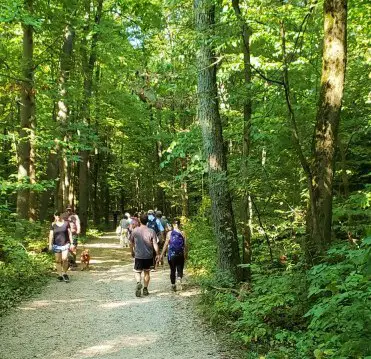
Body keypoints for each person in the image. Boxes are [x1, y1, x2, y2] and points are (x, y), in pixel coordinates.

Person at [129, 213, 160, 297]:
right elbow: (155, 244)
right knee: (147, 272)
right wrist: (157, 254)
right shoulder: (151, 231)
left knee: (137, 271)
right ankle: (145, 289)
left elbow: (131, 242)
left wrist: (132, 251)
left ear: (139, 220)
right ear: (147, 221)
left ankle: (138, 282)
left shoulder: (135, 230)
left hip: (138, 255)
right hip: (148, 256)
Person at [160, 218, 187, 291]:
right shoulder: (183, 233)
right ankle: (179, 279)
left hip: (171, 255)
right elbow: (185, 245)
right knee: (180, 268)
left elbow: (166, 244)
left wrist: (161, 254)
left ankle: (173, 285)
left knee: (172, 270)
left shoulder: (169, 233)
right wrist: (185, 254)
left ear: (173, 224)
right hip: (180, 254)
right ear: (179, 224)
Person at [49, 211, 72, 282]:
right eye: (56, 216)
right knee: (58, 261)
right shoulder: (53, 225)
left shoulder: (66, 223)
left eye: (59, 216)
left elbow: (69, 233)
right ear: (54, 216)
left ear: (61, 216)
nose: (58, 217)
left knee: (65, 259)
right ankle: (59, 275)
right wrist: (50, 244)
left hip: (65, 244)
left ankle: (65, 273)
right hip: (56, 245)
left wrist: (72, 243)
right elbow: (51, 235)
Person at [64, 205, 81, 269]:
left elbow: (78, 223)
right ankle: (67, 262)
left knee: (73, 248)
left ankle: (73, 263)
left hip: (73, 233)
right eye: (68, 209)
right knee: (66, 248)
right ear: (66, 209)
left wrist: (78, 230)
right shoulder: (63, 216)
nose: (69, 211)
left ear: (72, 210)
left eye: (70, 210)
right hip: (65, 234)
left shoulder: (75, 216)